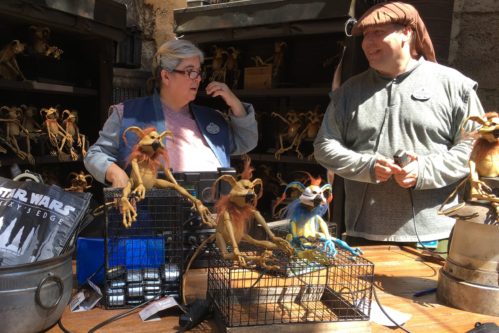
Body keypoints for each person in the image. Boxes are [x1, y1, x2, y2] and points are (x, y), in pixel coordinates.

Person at [313, 2, 485, 245]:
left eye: (378, 33)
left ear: (407, 32)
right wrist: (367, 166)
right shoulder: (348, 93)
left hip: (436, 237)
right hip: (362, 235)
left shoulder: (454, 86)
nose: (367, 43)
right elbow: (324, 146)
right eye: (365, 36)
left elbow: (476, 148)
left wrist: (424, 170)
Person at [84, 38, 258, 187]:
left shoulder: (211, 118)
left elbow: (246, 142)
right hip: (155, 218)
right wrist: (113, 171)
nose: (197, 78)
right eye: (190, 71)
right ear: (166, 76)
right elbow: (95, 154)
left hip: (212, 217)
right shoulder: (127, 114)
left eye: (199, 72)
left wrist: (234, 102)